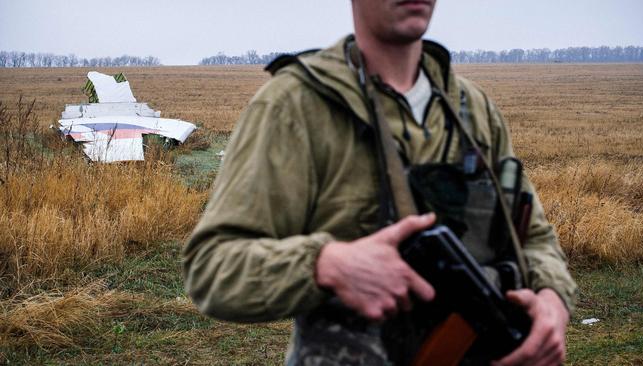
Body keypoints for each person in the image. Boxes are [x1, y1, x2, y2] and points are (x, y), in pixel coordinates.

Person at [183, 0, 577, 364]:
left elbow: (534, 237)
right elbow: (212, 266)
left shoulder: (473, 109)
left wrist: (552, 299)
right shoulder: (295, 107)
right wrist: (325, 264)